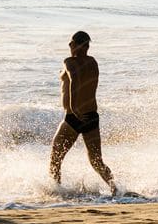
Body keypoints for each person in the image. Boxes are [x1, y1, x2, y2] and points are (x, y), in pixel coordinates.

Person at [49, 31, 118, 195]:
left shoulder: (69, 62)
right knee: (96, 161)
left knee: (55, 158)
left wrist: (73, 108)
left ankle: (56, 191)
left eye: (71, 43)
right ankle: (116, 188)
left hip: (74, 117)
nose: (69, 46)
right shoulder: (93, 62)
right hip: (92, 116)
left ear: (77, 45)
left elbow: (74, 79)